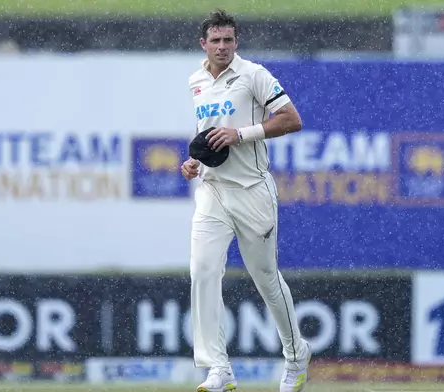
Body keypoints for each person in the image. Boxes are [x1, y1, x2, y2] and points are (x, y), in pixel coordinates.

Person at [181, 9, 312, 392]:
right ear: (203, 44)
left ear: (236, 43)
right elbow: (208, 135)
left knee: (266, 279)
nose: (222, 47)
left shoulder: (253, 74)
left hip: (252, 189)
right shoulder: (196, 81)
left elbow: (291, 119)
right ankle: (218, 368)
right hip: (212, 190)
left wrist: (242, 134)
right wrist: (195, 160)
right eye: (215, 40)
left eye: (229, 40)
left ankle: (296, 355)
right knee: (203, 272)